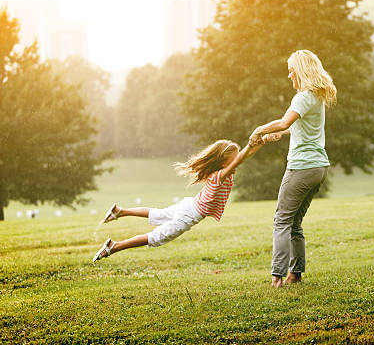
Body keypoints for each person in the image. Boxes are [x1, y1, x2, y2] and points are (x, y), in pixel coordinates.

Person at [92, 138, 269, 262]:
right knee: (156, 237)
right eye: (233, 161)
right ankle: (114, 246)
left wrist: (262, 142)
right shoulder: (219, 176)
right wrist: (253, 142)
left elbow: (245, 156)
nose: (237, 163)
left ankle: (121, 211)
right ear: (224, 163)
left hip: (189, 204)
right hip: (190, 213)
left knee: (157, 214)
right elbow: (241, 159)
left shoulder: (222, 173)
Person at [249, 49, 337, 287]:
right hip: (319, 167)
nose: (289, 76)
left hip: (301, 167)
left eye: (291, 71)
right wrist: (279, 133)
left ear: (301, 70)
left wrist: (260, 130)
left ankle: (276, 277)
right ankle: (294, 274)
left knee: (281, 220)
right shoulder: (315, 96)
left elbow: (286, 120)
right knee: (294, 223)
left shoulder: (302, 96)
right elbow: (295, 126)